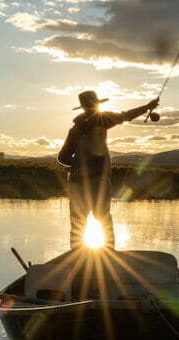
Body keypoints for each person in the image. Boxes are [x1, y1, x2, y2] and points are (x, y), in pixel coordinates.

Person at [57, 90, 159, 249]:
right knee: (103, 218)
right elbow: (125, 116)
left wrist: (78, 164)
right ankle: (109, 254)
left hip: (77, 183)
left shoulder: (74, 130)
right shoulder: (102, 119)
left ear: (82, 107)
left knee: (78, 221)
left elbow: (62, 158)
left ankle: (75, 257)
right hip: (99, 182)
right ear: (96, 104)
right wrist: (147, 107)